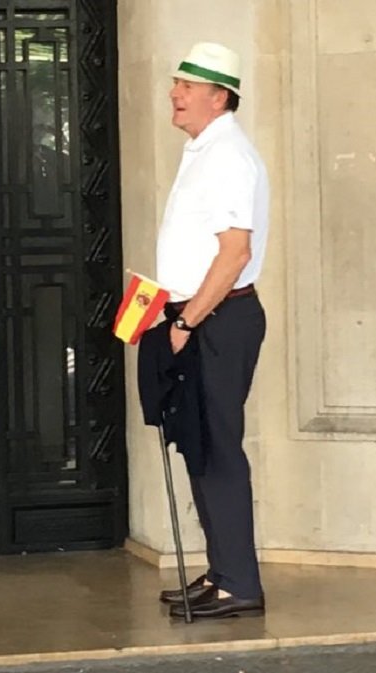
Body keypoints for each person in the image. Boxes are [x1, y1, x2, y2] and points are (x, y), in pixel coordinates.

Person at [152, 42, 270, 619]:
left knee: (219, 448)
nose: (175, 94)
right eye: (176, 83)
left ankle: (240, 583)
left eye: (186, 85)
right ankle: (223, 570)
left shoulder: (227, 156)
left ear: (218, 96)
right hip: (199, 315)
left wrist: (186, 320)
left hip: (217, 318)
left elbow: (234, 253)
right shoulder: (205, 149)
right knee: (200, 444)